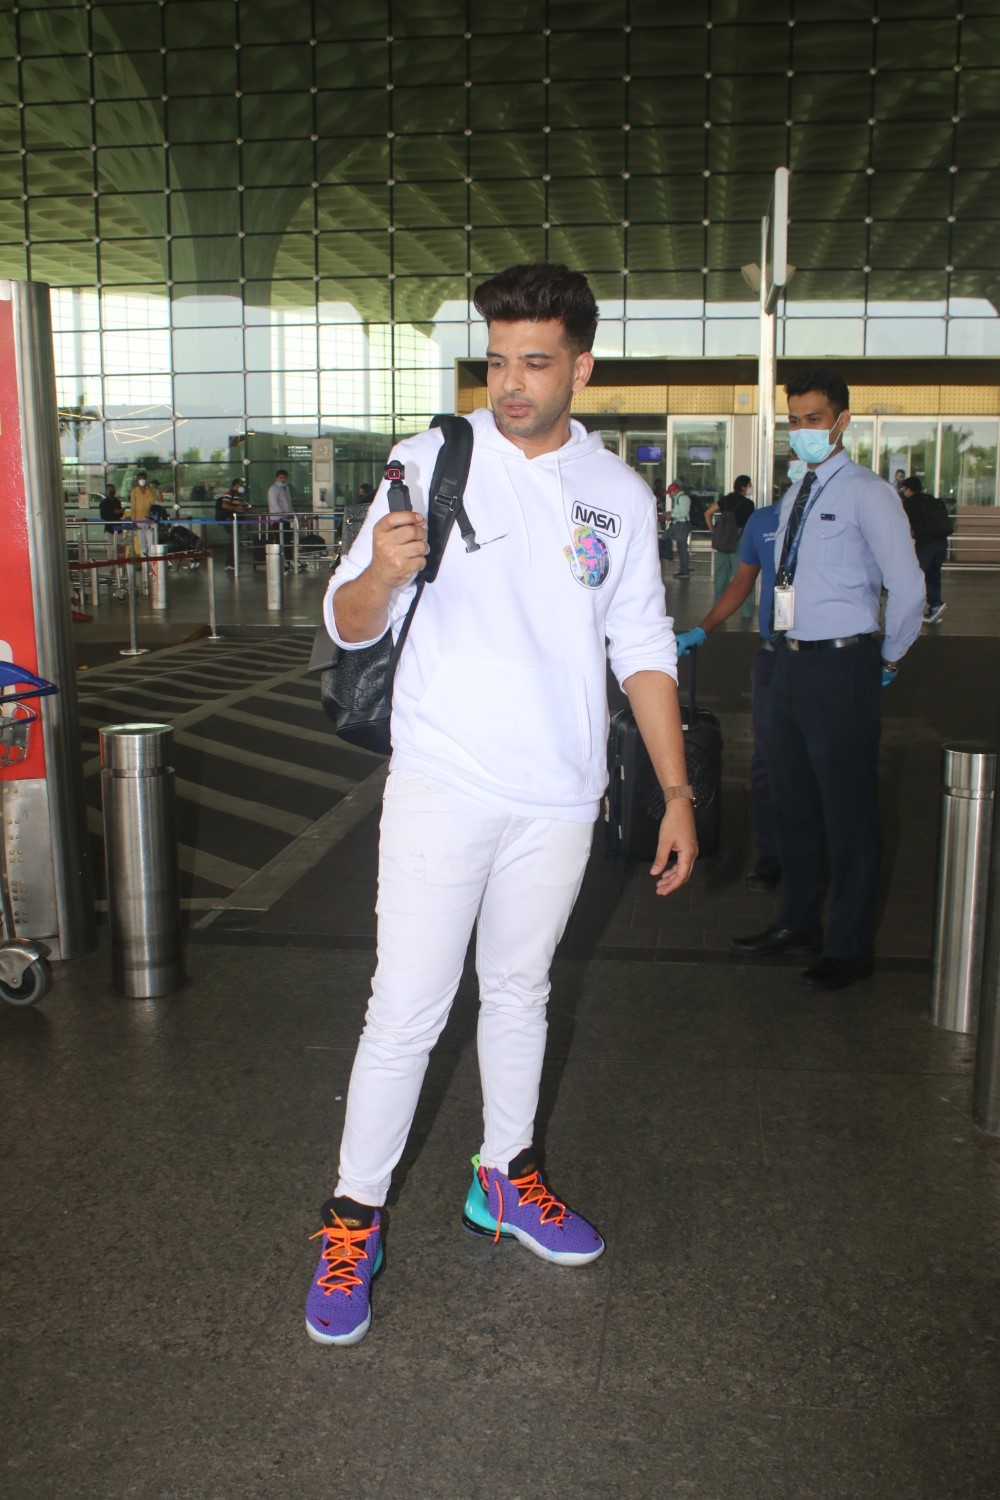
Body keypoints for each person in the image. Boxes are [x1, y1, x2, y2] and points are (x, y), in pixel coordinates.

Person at [306, 262, 698, 1347]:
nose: (512, 384)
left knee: (521, 990)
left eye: (535, 362)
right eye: (496, 361)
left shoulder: (618, 495)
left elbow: (644, 648)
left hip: (562, 794)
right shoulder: (432, 460)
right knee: (409, 1010)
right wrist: (380, 577)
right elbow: (347, 625)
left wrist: (675, 789)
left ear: (581, 364)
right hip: (442, 780)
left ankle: (505, 1175)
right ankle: (353, 1218)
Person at [731, 370, 925, 991]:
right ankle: (796, 922)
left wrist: (886, 659)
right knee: (791, 803)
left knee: (848, 812)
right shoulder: (795, 496)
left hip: (843, 664)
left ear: (842, 421)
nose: (804, 431)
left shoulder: (869, 493)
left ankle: (847, 947)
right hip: (789, 661)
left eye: (815, 419)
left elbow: (910, 587)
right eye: (795, 420)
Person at [675, 492, 783, 891]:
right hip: (776, 656)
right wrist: (704, 629)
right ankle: (772, 855)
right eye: (795, 423)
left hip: (830, 658)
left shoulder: (848, 509)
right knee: (767, 763)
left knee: (822, 763)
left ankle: (820, 850)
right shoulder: (765, 521)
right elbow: (742, 582)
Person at [900, 474, 950, 625]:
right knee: (933, 575)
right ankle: (935, 607)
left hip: (926, 544)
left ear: (908, 489)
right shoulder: (932, 500)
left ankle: (930, 605)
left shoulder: (910, 503)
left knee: (918, 576)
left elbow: (904, 524)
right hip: (941, 543)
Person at [703, 474, 755, 612]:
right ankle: (746, 610)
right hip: (740, 539)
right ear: (744, 487)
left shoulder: (725, 500)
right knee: (743, 576)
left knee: (721, 575)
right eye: (749, 485)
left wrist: (713, 531)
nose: (751, 488)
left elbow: (707, 513)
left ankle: (717, 608)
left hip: (724, 539)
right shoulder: (749, 504)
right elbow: (751, 525)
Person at [215, 476, 249, 571]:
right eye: (241, 485)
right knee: (234, 540)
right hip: (230, 521)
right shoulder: (230, 493)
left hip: (236, 521)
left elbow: (243, 508)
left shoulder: (239, 495)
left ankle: (231, 563)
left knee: (234, 541)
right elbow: (225, 505)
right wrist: (237, 508)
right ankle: (230, 563)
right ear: (235, 485)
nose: (242, 486)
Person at [267, 467, 297, 568]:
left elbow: (288, 503)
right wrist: (282, 513)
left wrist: (290, 514)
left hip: (286, 518)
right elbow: (274, 504)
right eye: (280, 477)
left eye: (284, 478)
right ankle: (283, 563)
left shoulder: (286, 488)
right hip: (277, 519)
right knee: (281, 540)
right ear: (277, 478)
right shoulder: (273, 489)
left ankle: (289, 561)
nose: (282, 480)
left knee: (287, 540)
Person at [667, 481, 692, 577]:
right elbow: (679, 511)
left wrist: (672, 515)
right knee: (680, 547)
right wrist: (670, 513)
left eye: (670, 493)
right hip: (678, 524)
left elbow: (684, 513)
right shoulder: (679, 499)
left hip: (682, 525)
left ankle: (684, 570)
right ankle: (683, 568)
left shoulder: (683, 498)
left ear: (675, 490)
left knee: (682, 548)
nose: (670, 495)